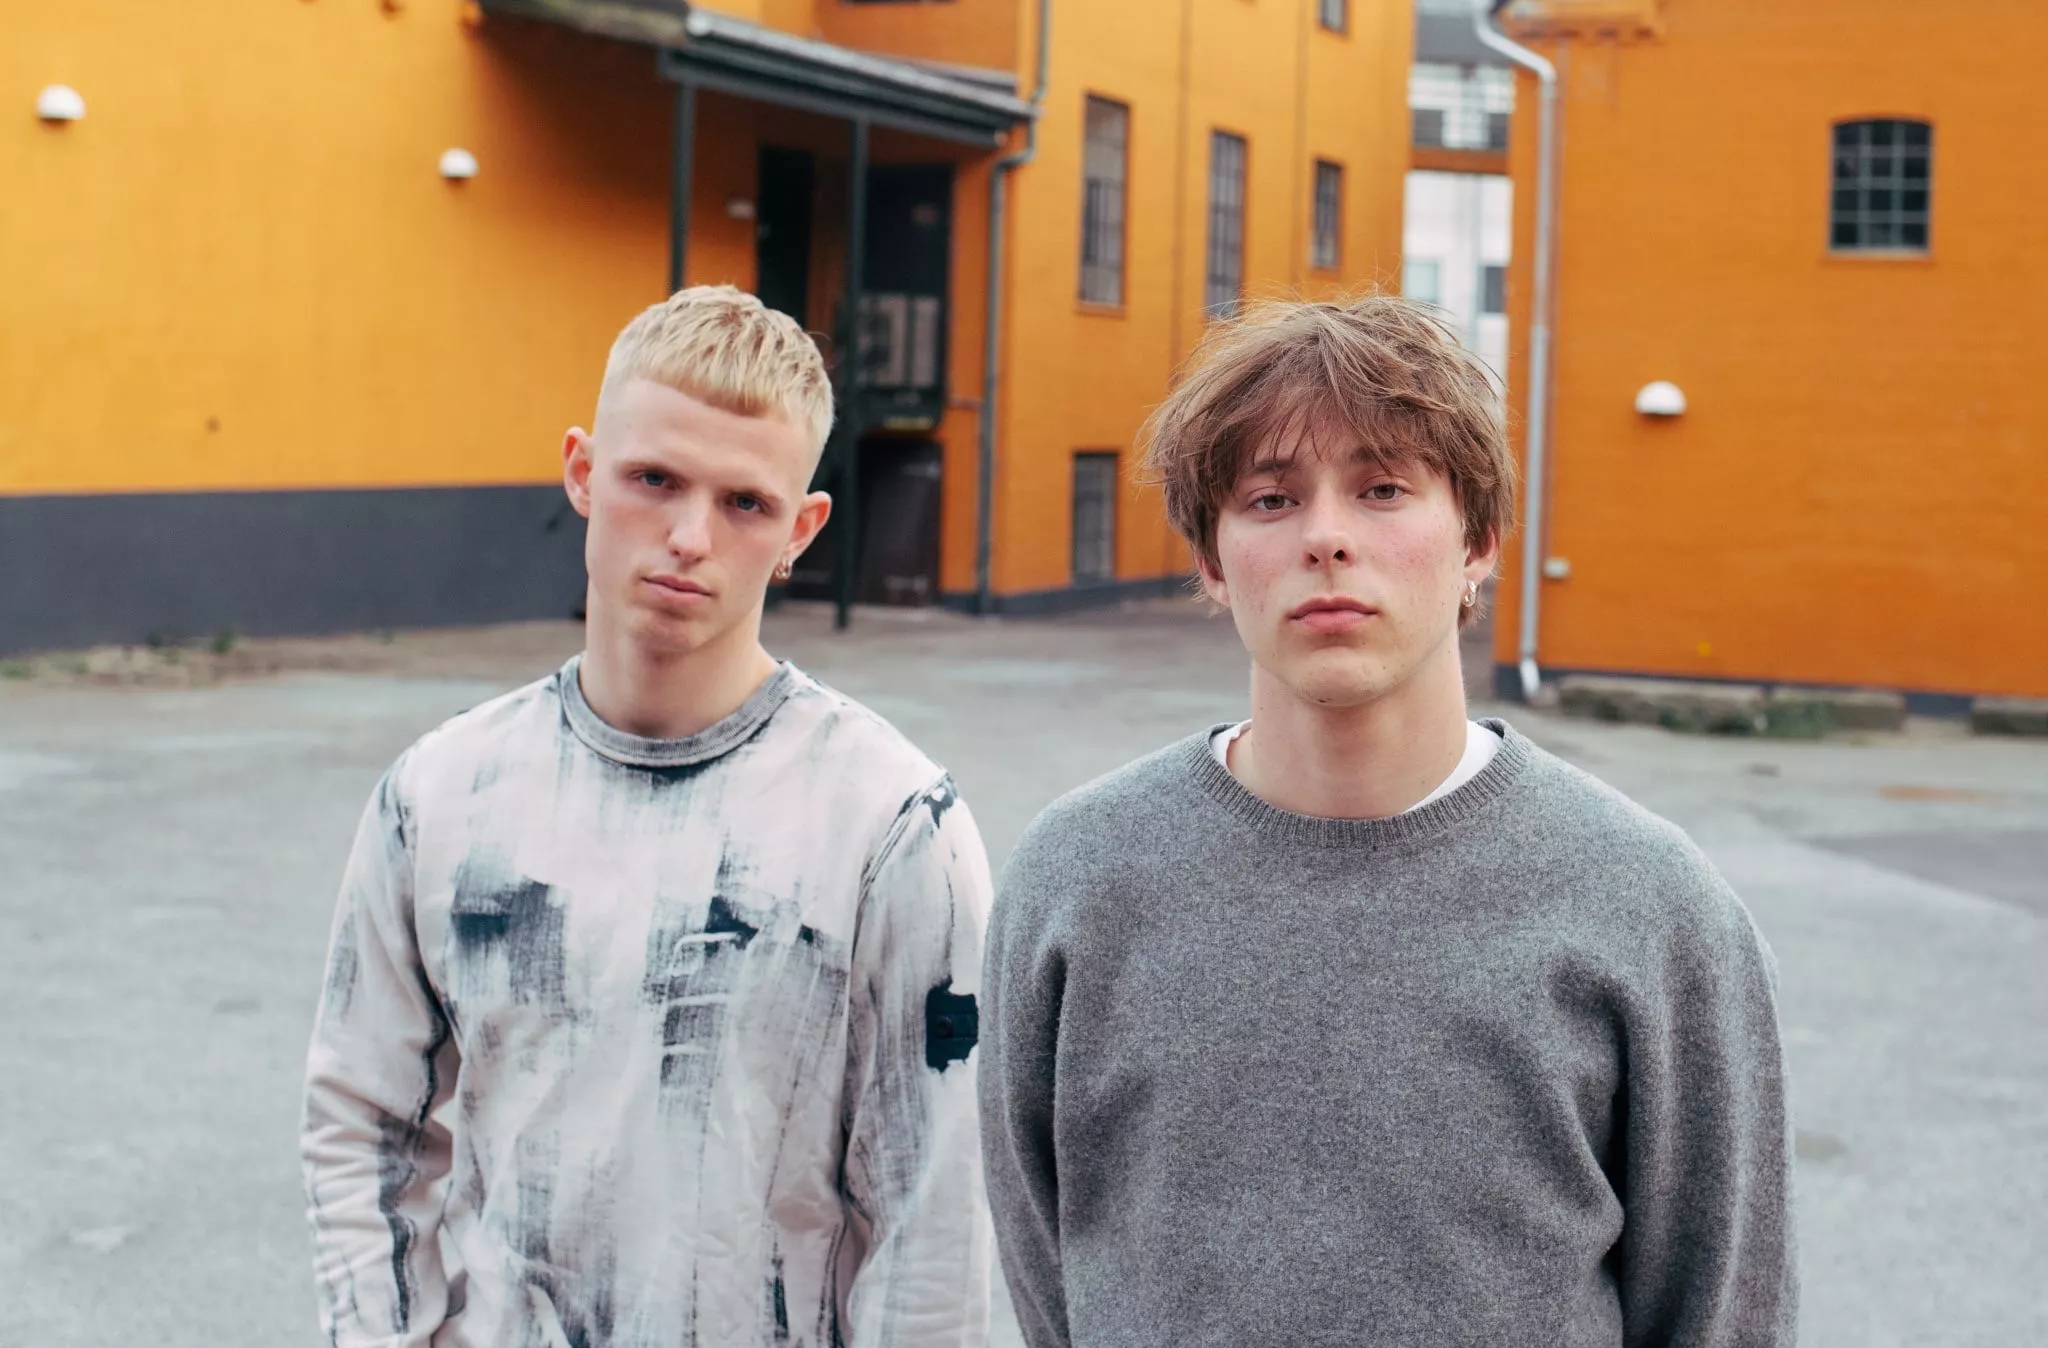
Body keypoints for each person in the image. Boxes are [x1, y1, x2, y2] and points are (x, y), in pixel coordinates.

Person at [980, 295, 1796, 1347]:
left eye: (1381, 489)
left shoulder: (1651, 905)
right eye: (1270, 498)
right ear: (1212, 561)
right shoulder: (1076, 878)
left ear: (1478, 541)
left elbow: (1721, 1310)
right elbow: (1047, 1269)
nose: (1325, 538)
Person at [302, 285, 992, 1348]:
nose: (688, 536)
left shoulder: (892, 825)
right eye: (654, 479)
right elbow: (363, 1126)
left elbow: (933, 1217)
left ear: (801, 528)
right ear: (583, 472)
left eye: (744, 503)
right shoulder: (439, 795)